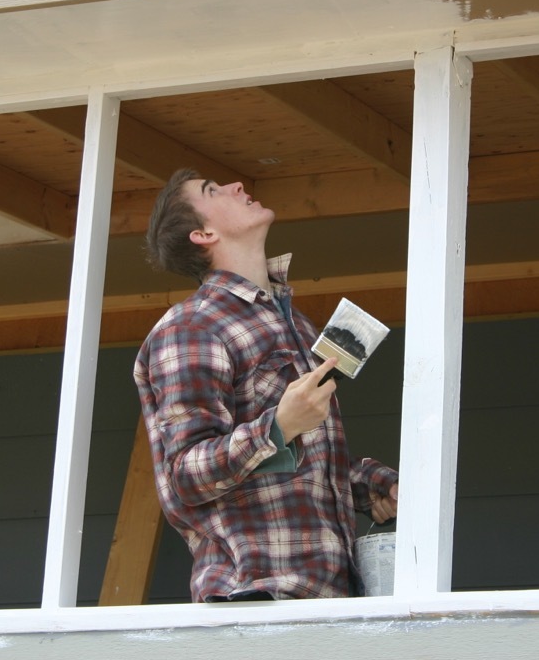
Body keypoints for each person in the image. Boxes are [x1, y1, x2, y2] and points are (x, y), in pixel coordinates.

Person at [133, 168, 399, 602]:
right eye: (212, 190)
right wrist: (277, 426)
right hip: (255, 601)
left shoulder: (293, 322)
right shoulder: (191, 326)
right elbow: (186, 473)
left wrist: (374, 485)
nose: (236, 186)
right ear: (203, 234)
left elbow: (300, 463)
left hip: (328, 599)